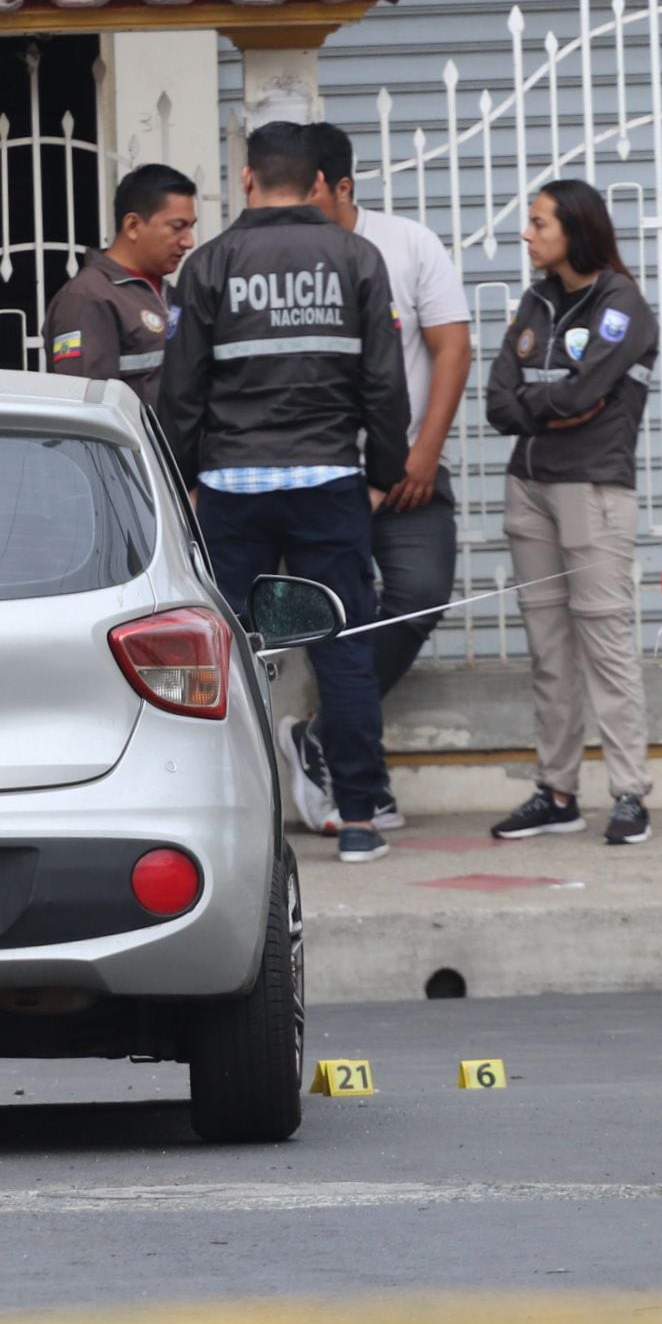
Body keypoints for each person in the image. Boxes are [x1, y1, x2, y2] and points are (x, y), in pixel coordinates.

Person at [156, 120, 410, 866]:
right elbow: (384, 384)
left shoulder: (209, 264)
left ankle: (225, 818)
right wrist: (382, 474)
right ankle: (359, 816)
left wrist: (180, 484)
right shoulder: (356, 258)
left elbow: (182, 394)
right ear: (317, 182)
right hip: (329, 482)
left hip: (233, 488)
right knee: (343, 649)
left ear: (246, 178)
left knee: (228, 656)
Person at [273, 121, 477, 836]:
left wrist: (420, 455)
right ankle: (359, 776)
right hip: (322, 477)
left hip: (411, 475)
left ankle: (321, 737)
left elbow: (451, 347)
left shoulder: (408, 244)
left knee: (418, 595)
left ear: (339, 186)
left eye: (309, 192)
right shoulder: (285, 258)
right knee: (335, 620)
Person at [481, 179, 661, 847]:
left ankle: (628, 793)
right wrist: (554, 410)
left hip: (591, 487)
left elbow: (589, 389)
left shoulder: (620, 305)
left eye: (537, 223)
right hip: (527, 486)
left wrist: (548, 405)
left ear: (574, 230)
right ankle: (555, 792)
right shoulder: (534, 301)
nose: (525, 234)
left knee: (604, 643)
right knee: (548, 651)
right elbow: (498, 402)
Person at [45, 163, 198, 403]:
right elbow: (88, 411)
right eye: (177, 227)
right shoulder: (86, 298)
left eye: (191, 227)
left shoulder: (168, 293)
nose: (189, 241)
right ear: (133, 226)